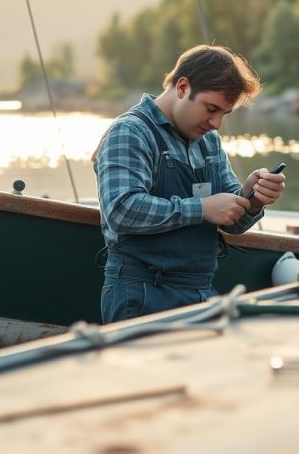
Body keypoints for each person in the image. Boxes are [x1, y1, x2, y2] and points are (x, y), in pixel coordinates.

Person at [94, 45, 285, 323]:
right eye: (211, 109)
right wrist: (201, 208)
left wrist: (252, 197)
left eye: (224, 114)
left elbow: (232, 222)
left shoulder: (208, 140)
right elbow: (121, 210)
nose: (216, 123)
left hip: (200, 293)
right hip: (141, 296)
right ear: (182, 87)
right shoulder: (130, 132)